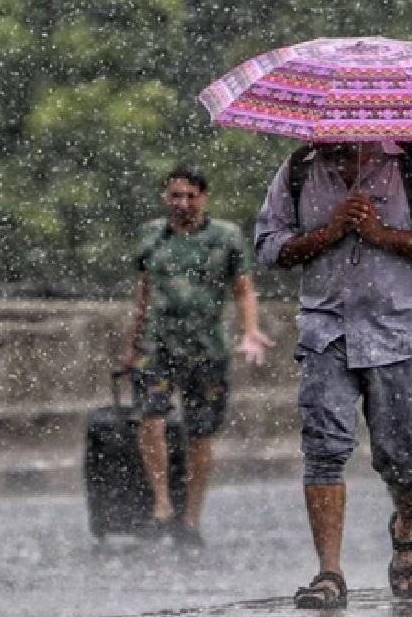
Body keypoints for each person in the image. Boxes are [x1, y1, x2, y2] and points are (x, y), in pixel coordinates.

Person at [254, 141, 412, 608]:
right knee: (323, 449)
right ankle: (329, 573)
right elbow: (269, 246)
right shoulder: (298, 168)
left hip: (397, 332)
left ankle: (407, 527)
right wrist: (327, 233)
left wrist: (380, 233)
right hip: (325, 331)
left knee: (404, 460)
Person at [123, 166, 273, 548]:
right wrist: (132, 344)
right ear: (165, 197)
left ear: (204, 198)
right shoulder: (151, 236)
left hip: (206, 348)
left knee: (201, 433)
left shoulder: (225, 237)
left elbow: (243, 288)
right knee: (150, 418)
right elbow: (144, 290)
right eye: (176, 195)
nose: (183, 203)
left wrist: (250, 330)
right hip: (157, 345)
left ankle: (190, 517)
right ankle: (161, 506)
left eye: (190, 196)